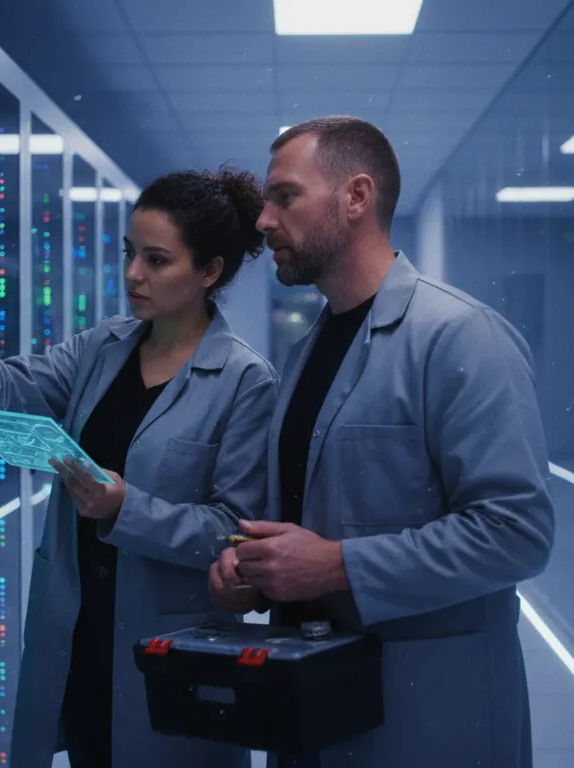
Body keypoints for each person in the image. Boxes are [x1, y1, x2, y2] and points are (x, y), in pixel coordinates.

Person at [0, 167, 278, 768]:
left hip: (170, 640)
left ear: (209, 271)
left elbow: (234, 531)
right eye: (130, 253)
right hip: (79, 631)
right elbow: (9, 392)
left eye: (157, 261)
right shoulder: (103, 348)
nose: (133, 273)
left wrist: (125, 508)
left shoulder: (246, 381)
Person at [208, 116, 555, 767]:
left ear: (356, 197)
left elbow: (517, 532)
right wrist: (258, 572)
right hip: (314, 708)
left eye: (285, 196)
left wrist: (335, 566)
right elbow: (314, 518)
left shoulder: (461, 336)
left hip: (428, 720)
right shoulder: (308, 350)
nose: (263, 220)